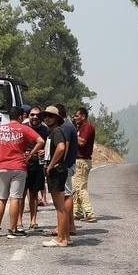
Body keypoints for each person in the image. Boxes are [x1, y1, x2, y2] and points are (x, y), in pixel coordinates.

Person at [0, 106, 42, 238]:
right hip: (18, 166)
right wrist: (30, 154)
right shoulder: (24, 129)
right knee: (15, 198)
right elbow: (40, 141)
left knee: (1, 198)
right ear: (20, 116)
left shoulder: (0, 129)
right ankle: (12, 230)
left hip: (1, 166)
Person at [40, 105, 73, 247]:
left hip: (56, 172)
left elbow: (61, 148)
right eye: (45, 116)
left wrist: (51, 165)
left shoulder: (57, 132)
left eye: (50, 116)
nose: (47, 118)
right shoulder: (53, 132)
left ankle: (60, 239)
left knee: (59, 207)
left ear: (57, 118)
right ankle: (65, 237)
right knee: (61, 207)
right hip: (58, 171)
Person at [55, 103, 79, 237]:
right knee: (66, 195)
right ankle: (70, 226)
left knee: (65, 196)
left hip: (65, 166)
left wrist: (58, 164)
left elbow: (65, 147)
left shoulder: (65, 127)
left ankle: (63, 229)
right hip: (69, 165)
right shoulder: (69, 125)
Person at [72, 106, 98, 223]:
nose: (75, 118)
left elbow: (82, 142)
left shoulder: (87, 127)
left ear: (83, 116)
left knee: (81, 188)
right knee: (76, 187)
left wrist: (73, 134)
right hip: (78, 160)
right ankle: (77, 212)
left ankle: (90, 213)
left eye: (77, 116)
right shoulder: (81, 127)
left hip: (82, 161)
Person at [23, 105, 48, 231]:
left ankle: (33, 221)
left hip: (38, 165)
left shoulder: (45, 130)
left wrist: (45, 151)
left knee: (33, 194)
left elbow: (50, 146)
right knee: (21, 194)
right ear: (28, 116)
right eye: (32, 114)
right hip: (23, 164)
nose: (35, 117)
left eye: (37, 115)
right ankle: (19, 222)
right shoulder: (24, 128)